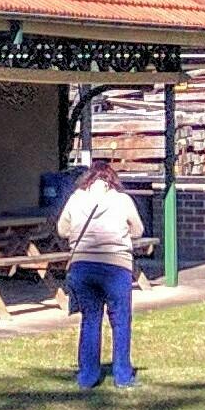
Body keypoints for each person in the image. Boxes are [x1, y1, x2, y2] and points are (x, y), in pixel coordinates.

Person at [54, 159, 144, 389]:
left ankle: (87, 377)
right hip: (116, 265)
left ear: (88, 179)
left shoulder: (76, 198)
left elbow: (62, 230)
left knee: (91, 319)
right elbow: (138, 230)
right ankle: (123, 375)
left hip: (82, 266)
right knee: (120, 320)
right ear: (112, 179)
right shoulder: (122, 200)